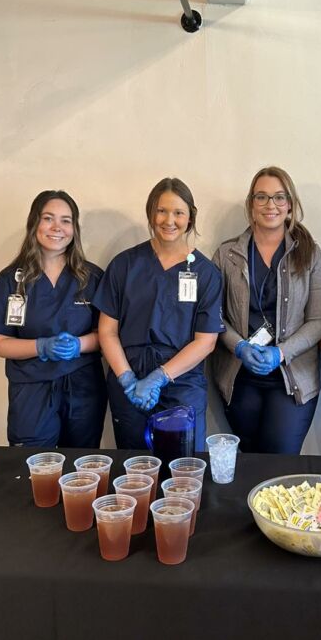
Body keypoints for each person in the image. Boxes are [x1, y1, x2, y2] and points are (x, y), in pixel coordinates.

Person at [93, 177, 224, 450]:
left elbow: (206, 341)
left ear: (190, 217)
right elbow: (107, 331)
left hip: (181, 383)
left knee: (183, 472)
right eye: (161, 211)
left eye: (178, 212)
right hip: (128, 379)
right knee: (136, 473)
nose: (169, 220)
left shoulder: (206, 273)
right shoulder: (124, 265)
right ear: (151, 213)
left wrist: (160, 377)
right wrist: (127, 378)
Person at [212, 166, 321, 454]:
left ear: (290, 205)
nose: (270, 205)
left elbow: (318, 321)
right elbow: (213, 316)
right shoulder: (226, 254)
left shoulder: (310, 254)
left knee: (280, 456)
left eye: (279, 197)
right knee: (251, 460)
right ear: (251, 205)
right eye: (262, 197)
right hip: (240, 374)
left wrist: (280, 352)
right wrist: (239, 346)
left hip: (292, 377)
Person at [0, 190, 107, 447]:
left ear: (74, 228)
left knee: (82, 467)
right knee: (34, 467)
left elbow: (106, 335)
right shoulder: (11, 280)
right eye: (48, 218)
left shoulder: (91, 277)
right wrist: (40, 346)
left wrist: (78, 345)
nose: (57, 227)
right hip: (31, 388)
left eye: (66, 220)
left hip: (82, 388)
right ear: (34, 223)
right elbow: (1, 343)